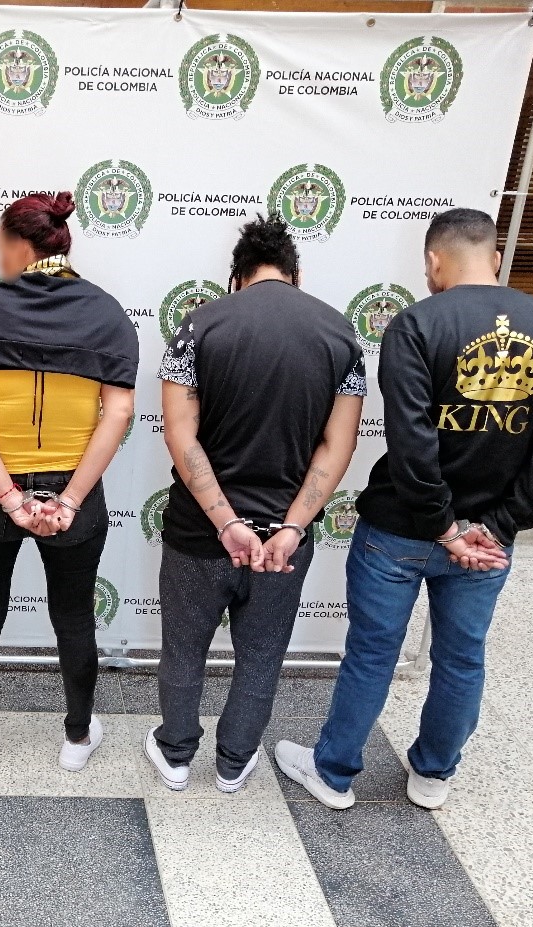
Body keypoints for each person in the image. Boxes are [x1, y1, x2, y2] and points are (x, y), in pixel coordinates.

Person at [276, 208, 533, 810]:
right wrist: (496, 526)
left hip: (400, 527)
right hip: (488, 539)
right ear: (494, 258)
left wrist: (444, 526)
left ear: (433, 261)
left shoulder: (417, 325)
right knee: (461, 656)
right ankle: (433, 775)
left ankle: (334, 775)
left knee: (372, 653)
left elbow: (412, 440)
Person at [144, 213, 365, 793]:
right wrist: (291, 528)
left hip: (200, 532)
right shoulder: (341, 335)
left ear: (236, 277)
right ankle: (234, 762)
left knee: (183, 649)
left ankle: (175, 754)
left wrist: (226, 522)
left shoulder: (197, 327)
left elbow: (181, 435)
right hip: (285, 541)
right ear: (296, 274)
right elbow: (338, 446)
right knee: (262, 656)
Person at [0, 192, 138, 772]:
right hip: (73, 491)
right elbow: (119, 412)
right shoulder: (106, 313)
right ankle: (77, 739)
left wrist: (9, 497)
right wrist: (70, 499)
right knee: (74, 617)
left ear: (18, 246)